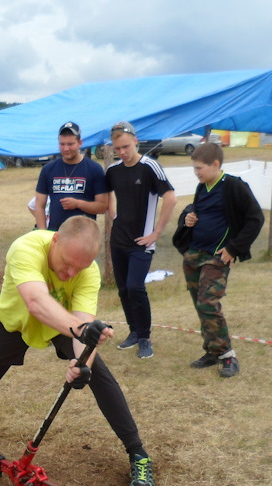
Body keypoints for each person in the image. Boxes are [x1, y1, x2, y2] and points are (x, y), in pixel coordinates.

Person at [0, 216, 157, 486]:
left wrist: (82, 365)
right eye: (67, 263)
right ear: (55, 241)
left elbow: (83, 326)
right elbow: (37, 302)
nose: (70, 272)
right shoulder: (25, 248)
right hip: (15, 323)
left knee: (99, 375)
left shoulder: (88, 273)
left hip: (60, 326)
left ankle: (138, 454)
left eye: (80, 267)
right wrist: (81, 331)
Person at [172, 143, 264, 378]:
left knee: (208, 304)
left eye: (199, 168)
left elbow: (256, 218)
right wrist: (188, 217)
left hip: (217, 257)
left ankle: (227, 356)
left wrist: (234, 248)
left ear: (215, 165)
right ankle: (212, 351)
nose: (196, 172)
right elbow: (197, 209)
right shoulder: (202, 187)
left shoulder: (234, 186)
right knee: (200, 306)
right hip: (194, 254)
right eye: (194, 168)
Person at [105, 121, 177, 360]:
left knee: (136, 287)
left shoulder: (150, 167)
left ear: (136, 141)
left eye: (126, 146)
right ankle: (133, 332)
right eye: (118, 148)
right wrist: (113, 216)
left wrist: (155, 234)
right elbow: (108, 196)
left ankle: (145, 338)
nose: (122, 152)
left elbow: (171, 198)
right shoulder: (113, 170)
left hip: (142, 242)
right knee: (124, 290)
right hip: (118, 241)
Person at [33, 121, 108, 231]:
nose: (66, 148)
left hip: (84, 235)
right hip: (56, 235)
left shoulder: (94, 169)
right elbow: (39, 205)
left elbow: (102, 206)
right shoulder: (48, 169)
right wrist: (43, 234)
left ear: (80, 143)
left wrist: (78, 204)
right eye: (62, 144)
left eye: (70, 144)